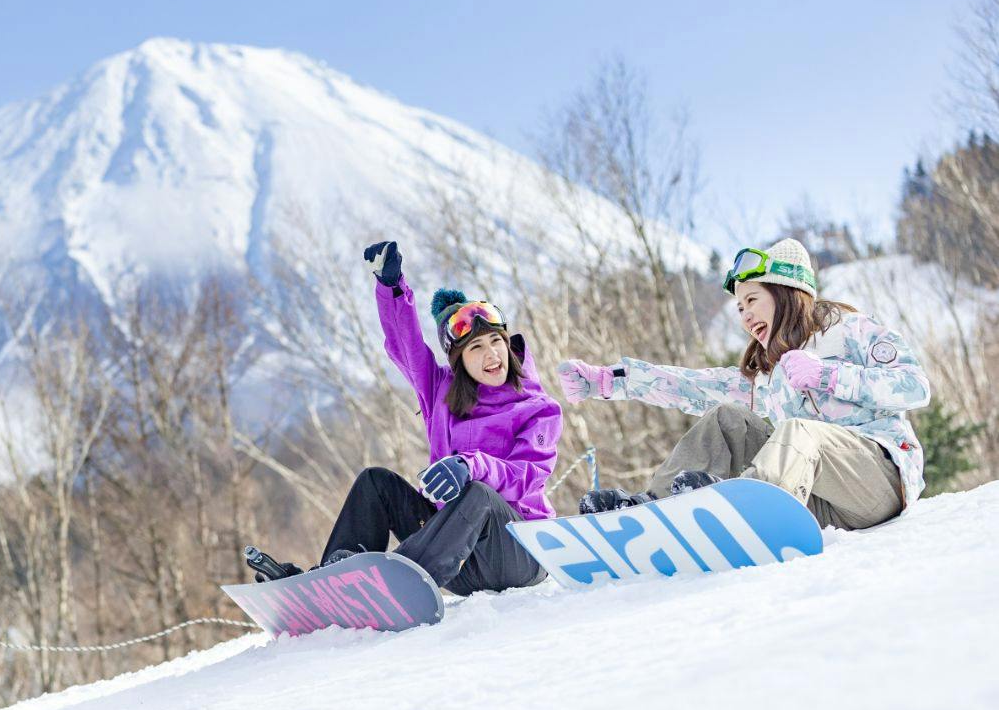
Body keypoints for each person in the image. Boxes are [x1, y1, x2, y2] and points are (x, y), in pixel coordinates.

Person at [244, 240, 562, 595]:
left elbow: (526, 476)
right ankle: (335, 583)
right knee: (376, 482)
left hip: (520, 551)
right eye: (476, 348)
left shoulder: (538, 408)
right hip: (460, 558)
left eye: (496, 342)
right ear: (459, 362)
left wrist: (470, 466)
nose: (491, 355)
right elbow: (405, 345)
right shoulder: (441, 392)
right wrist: (392, 287)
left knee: (479, 494)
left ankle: (396, 584)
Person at [557, 238, 930, 530]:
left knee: (801, 432)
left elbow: (915, 386)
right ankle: (655, 512)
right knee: (726, 419)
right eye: (739, 308)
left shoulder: (850, 330)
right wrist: (611, 381)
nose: (745, 315)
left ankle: (750, 512)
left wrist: (828, 375)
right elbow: (692, 387)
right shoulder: (768, 375)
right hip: (817, 500)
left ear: (785, 293)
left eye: (752, 300)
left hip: (878, 484)